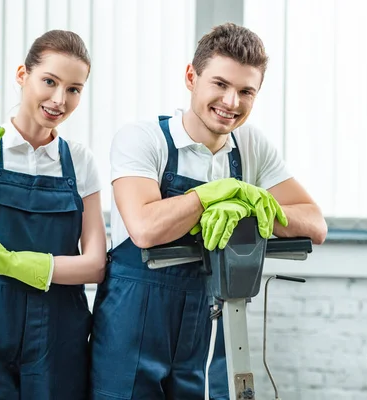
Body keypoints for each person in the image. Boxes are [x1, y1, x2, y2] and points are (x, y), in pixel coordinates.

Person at [90, 23, 328, 400]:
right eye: (220, 84)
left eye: (245, 91)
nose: (231, 102)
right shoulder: (143, 139)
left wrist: (247, 206)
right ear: (191, 77)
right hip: (133, 326)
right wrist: (215, 194)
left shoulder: (250, 145)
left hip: (209, 324)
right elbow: (145, 228)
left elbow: (315, 223)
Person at [0, 30, 106, 400]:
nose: (60, 99)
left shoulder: (79, 161)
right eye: (49, 81)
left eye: (74, 89)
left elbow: (95, 265)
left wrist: (14, 263)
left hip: (59, 333)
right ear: (22, 75)